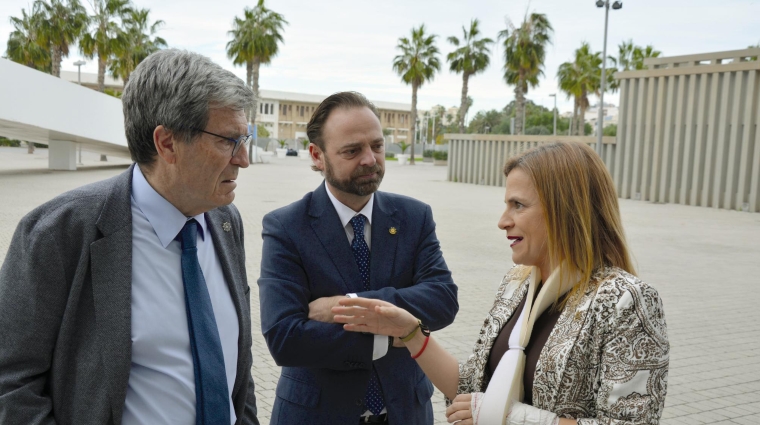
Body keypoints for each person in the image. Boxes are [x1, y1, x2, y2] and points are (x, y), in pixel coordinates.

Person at [0, 49, 260, 425]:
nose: (243, 159)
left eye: (244, 139)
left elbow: (237, 364)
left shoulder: (225, 222)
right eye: (228, 141)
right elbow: (11, 381)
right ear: (166, 143)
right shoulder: (59, 232)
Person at [334, 141, 670, 425]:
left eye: (518, 205)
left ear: (565, 210)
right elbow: (471, 387)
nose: (502, 221)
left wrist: (511, 417)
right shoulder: (518, 283)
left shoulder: (627, 301)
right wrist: (410, 333)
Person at [258, 91, 459, 425]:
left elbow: (442, 300)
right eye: (352, 150)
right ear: (317, 155)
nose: (370, 159)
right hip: (317, 416)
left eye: (377, 146)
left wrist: (347, 304)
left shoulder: (414, 216)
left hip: (405, 413)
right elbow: (286, 338)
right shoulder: (286, 227)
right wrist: (396, 330)